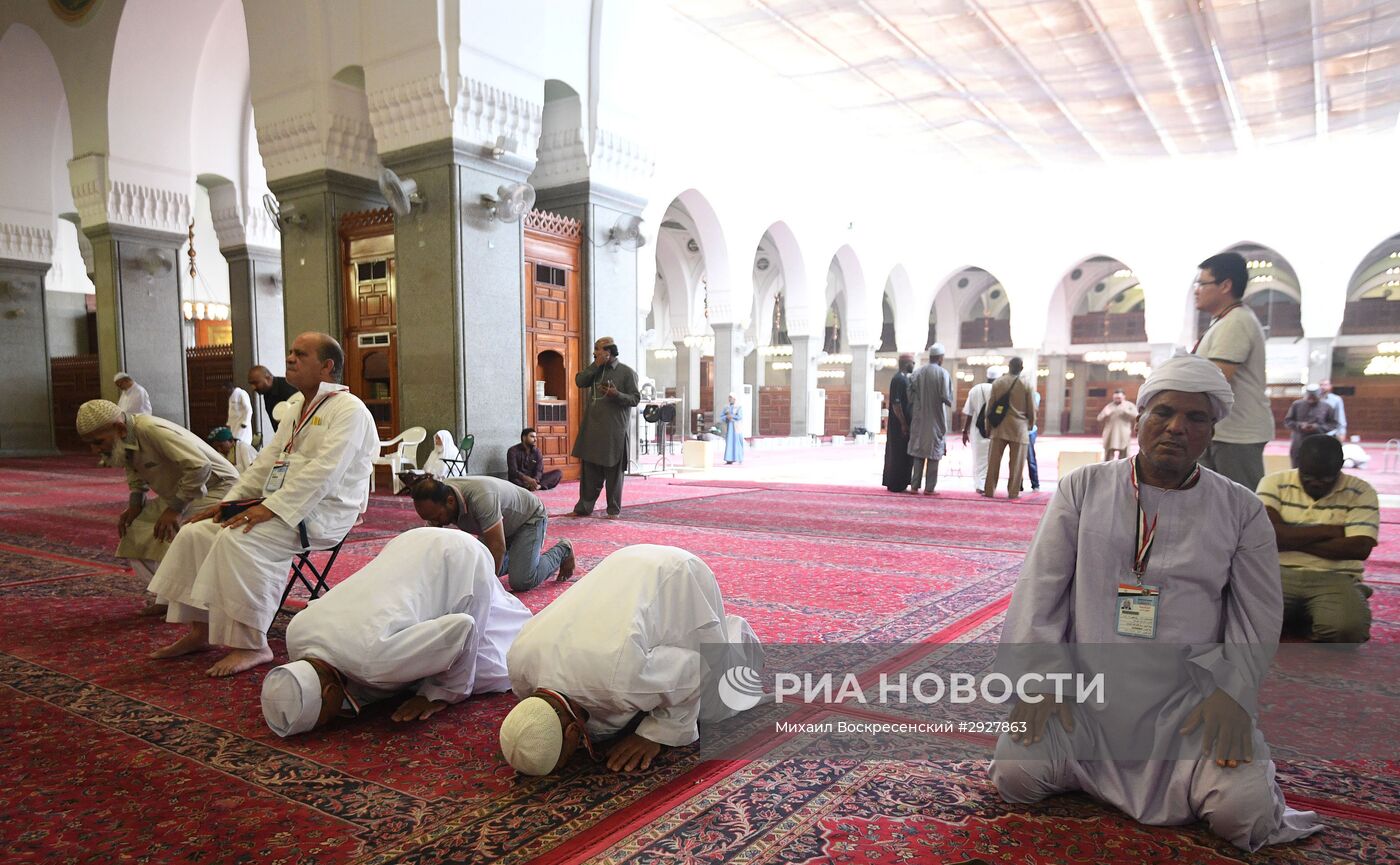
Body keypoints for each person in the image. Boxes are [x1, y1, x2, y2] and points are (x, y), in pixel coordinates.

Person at [988, 354, 1321, 852]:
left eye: (1196, 418)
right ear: (1139, 419)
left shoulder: (1241, 510)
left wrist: (1232, 695)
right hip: (1085, 690)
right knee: (1015, 777)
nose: (1176, 428)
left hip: (1188, 705)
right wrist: (1041, 682)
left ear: (1212, 431)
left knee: (1244, 816)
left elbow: (1257, 615)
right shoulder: (1084, 488)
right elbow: (1041, 587)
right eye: (1163, 412)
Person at [146, 332, 379, 677]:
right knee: (196, 532)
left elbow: (324, 473)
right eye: (289, 352)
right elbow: (267, 462)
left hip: (325, 511)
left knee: (240, 538)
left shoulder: (349, 410)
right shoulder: (300, 406)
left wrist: (270, 509)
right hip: (281, 503)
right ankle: (200, 631)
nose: (290, 359)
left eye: (301, 354)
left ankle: (252, 644)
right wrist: (228, 505)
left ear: (327, 366)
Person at [498, 545, 763, 775]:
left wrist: (657, 734)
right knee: (647, 674)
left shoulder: (619, 680)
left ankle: (735, 635)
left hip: (679, 576)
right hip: (624, 563)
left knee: (713, 707)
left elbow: (693, 669)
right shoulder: (519, 664)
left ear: (571, 735)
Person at [260, 527, 532, 736]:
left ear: (330, 690)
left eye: (328, 713)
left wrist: (438, 694)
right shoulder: (295, 634)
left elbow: (462, 627)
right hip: (409, 542)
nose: (335, 717)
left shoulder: (373, 662)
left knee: (494, 665)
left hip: (459, 558)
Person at [76, 400, 238, 618]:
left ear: (120, 428)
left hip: (217, 487)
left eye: (98, 442)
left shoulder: (150, 430)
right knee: (134, 530)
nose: (95, 449)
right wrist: (135, 504)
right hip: (184, 490)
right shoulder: (125, 437)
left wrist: (175, 509)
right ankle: (169, 596)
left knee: (173, 531)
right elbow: (133, 467)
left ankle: (195, 606)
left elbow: (200, 466)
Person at [1257, 435, 1377, 644]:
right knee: (1242, 624)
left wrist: (1290, 535)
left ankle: (1302, 615)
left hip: (1335, 575)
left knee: (1347, 632)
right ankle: (1308, 615)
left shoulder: (1361, 491)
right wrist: (1330, 531)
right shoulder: (1274, 482)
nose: (1316, 482)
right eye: (1309, 475)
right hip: (1277, 572)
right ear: (1298, 463)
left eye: (1326, 477)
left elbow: (1359, 548)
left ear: (1340, 466)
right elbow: (1269, 537)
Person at [406, 473, 574, 591]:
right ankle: (520, 557)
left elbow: (497, 547)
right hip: (497, 528)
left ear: (450, 501)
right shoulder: (438, 501)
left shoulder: (481, 497)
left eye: (436, 517)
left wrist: (486, 590)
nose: (434, 523)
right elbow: (433, 546)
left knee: (521, 580)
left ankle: (563, 550)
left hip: (528, 519)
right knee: (475, 567)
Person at [1191, 251, 1273, 491]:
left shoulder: (1236, 322)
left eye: (1202, 283)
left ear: (1225, 285)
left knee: (1239, 509)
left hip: (1237, 435)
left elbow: (1215, 379)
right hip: (1221, 432)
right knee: (1213, 506)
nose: (1197, 290)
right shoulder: (1223, 321)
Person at [571, 336, 640, 518]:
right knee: (590, 472)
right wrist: (595, 366)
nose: (594, 352)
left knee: (613, 473)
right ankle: (584, 507)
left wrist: (616, 394)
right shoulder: (595, 370)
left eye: (598, 349)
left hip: (613, 432)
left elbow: (635, 399)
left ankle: (613, 510)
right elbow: (579, 381)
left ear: (608, 352)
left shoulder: (626, 373)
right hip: (592, 430)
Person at [983, 357, 1036, 499]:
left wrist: (988, 427)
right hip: (1019, 429)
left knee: (993, 462)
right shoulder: (1026, 384)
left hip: (999, 427)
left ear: (1009, 367)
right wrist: (1031, 424)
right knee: (1016, 465)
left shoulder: (998, 382)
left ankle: (989, 490)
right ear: (1021, 368)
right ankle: (1013, 492)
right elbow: (1032, 408)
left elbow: (990, 407)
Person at [906, 343, 953, 495]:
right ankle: (929, 488)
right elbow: (947, 398)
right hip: (935, 419)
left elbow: (910, 395)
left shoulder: (917, 373)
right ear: (940, 358)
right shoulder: (943, 374)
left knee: (919, 453)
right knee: (933, 453)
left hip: (919, 418)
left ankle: (914, 486)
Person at [882, 353, 916, 492]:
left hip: (903, 424)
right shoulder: (898, 379)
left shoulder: (904, 379)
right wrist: (903, 423)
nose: (914, 365)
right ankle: (896, 483)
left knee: (903, 453)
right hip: (898, 426)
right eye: (913, 363)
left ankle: (901, 482)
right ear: (907, 363)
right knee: (898, 453)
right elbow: (896, 404)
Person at [1282, 385, 1338, 468]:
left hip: (1318, 443)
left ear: (1319, 396)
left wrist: (1317, 427)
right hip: (1299, 441)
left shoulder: (1327, 407)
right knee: (1297, 467)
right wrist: (1300, 425)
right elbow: (1287, 421)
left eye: (1314, 397)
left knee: (1317, 466)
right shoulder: (1297, 405)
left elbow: (1333, 424)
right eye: (1309, 397)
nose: (1311, 399)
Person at [961, 367, 997, 494]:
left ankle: (979, 484)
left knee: (977, 458)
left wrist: (965, 431)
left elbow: (969, 413)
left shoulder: (975, 389)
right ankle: (986, 485)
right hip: (993, 430)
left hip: (976, 430)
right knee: (990, 459)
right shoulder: (997, 390)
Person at [247, 365, 299, 433]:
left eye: (256, 383)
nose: (253, 387)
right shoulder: (267, 393)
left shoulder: (288, 387)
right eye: (251, 384)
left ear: (268, 378)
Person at [1097, 389, 1138, 461]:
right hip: (1110, 433)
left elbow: (1136, 416)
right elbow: (1099, 418)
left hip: (1123, 433)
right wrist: (1105, 414)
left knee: (1124, 456)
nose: (1117, 399)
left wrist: (1126, 411)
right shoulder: (1109, 406)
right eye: (1115, 398)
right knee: (1108, 456)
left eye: (1119, 398)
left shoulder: (1129, 405)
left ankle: (1123, 470)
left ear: (1124, 397)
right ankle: (1107, 469)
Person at [224, 381, 254, 447]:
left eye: (226, 390)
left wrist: (245, 422)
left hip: (242, 425)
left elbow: (248, 409)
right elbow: (231, 412)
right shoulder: (231, 396)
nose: (226, 392)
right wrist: (228, 424)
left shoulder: (241, 393)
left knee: (242, 445)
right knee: (235, 445)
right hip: (234, 425)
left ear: (230, 388)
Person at [720, 393, 745, 464]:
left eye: (731, 397)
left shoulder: (738, 407)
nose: (729, 399)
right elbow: (722, 416)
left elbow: (740, 417)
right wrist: (726, 417)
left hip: (736, 427)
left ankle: (739, 458)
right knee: (729, 443)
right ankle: (729, 459)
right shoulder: (726, 407)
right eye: (729, 397)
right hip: (729, 428)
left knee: (737, 442)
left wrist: (732, 417)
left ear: (734, 398)